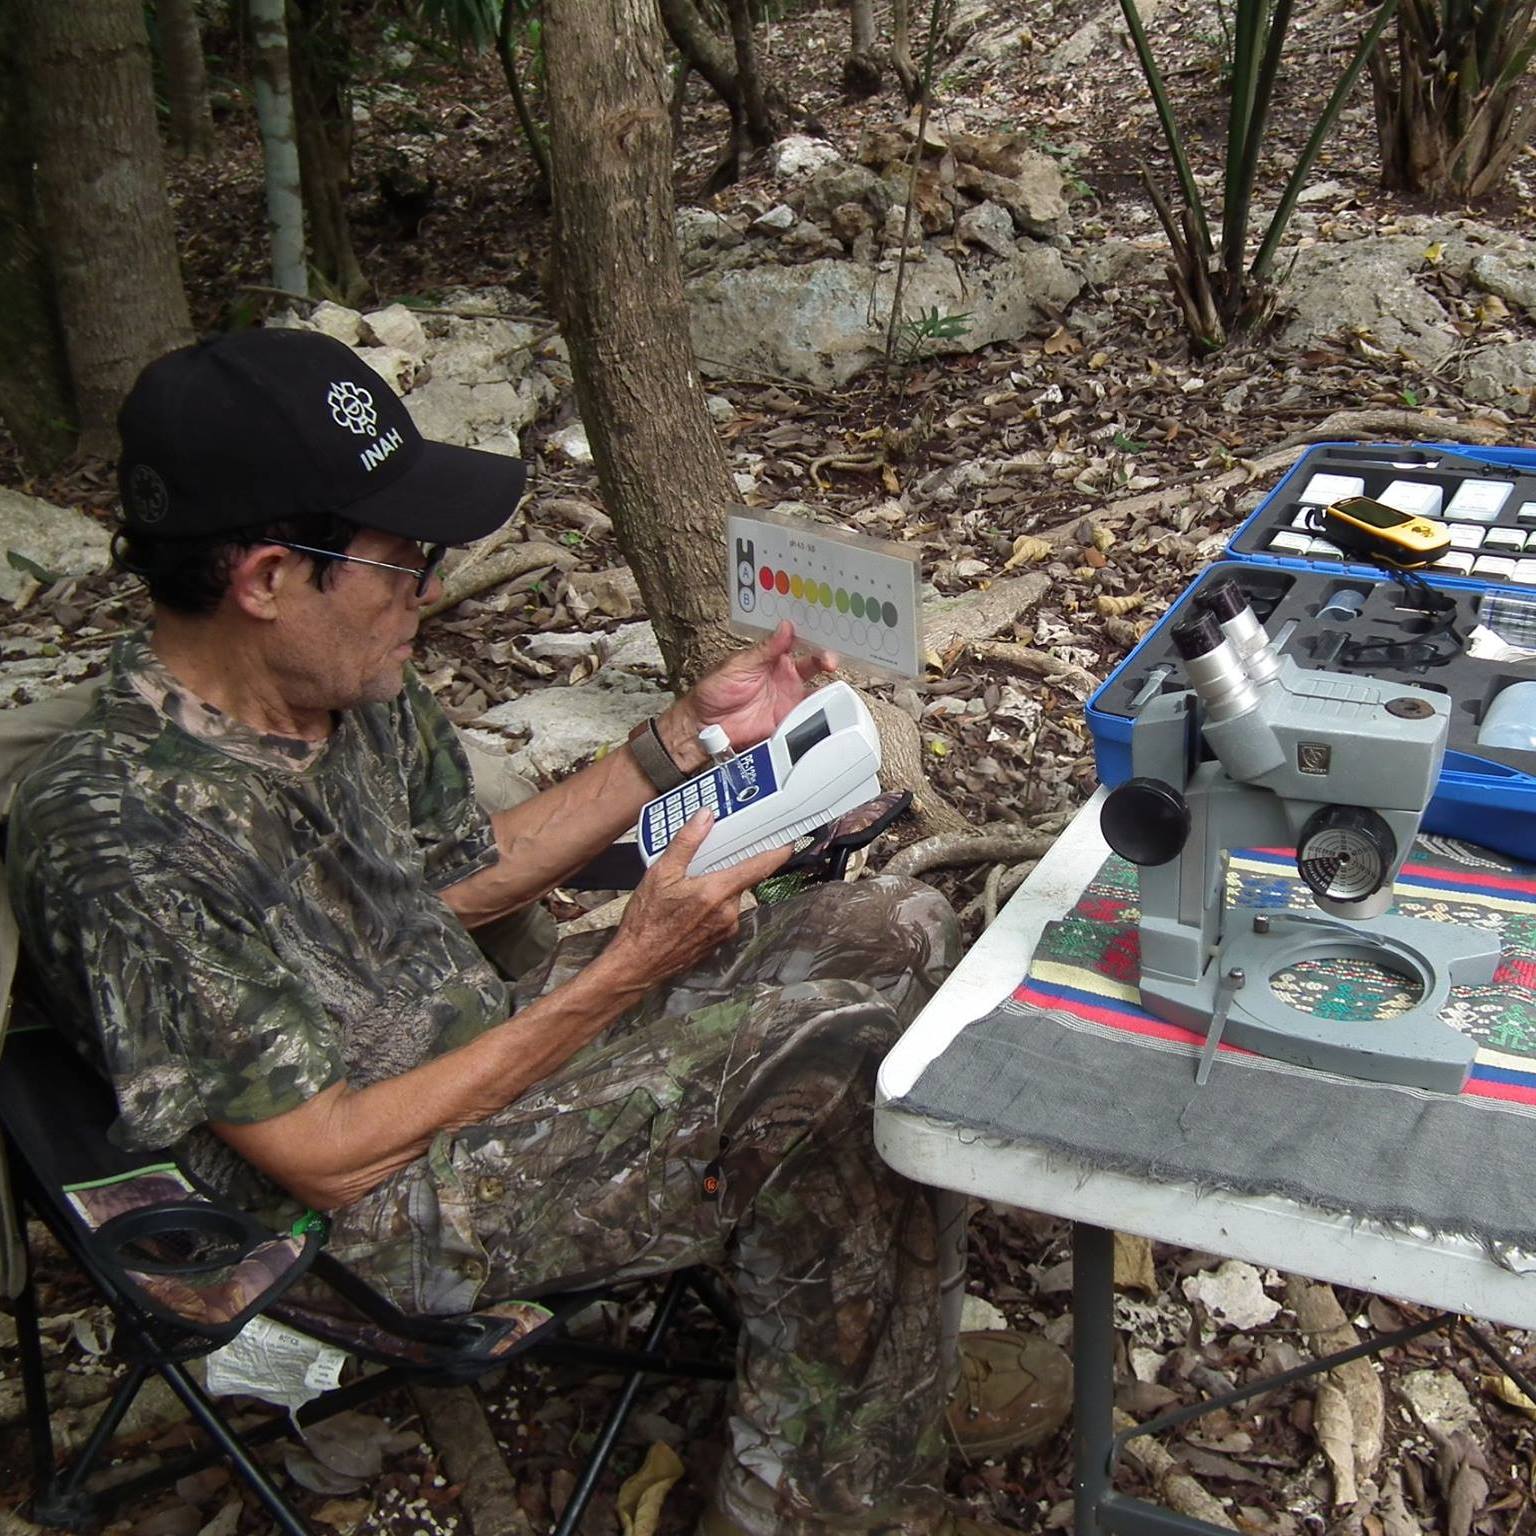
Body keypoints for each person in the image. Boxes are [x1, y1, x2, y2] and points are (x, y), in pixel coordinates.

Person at [6, 330, 1068, 1536]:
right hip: (368, 1217)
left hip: (483, 1058)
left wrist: (688, 738)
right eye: (404, 559)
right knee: (832, 1049)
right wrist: (625, 970)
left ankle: (858, 1368)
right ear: (264, 578)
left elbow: (463, 878)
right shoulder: (125, 831)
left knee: (896, 922)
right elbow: (327, 1155)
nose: (429, 585)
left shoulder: (339, 689)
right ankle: (829, 1491)